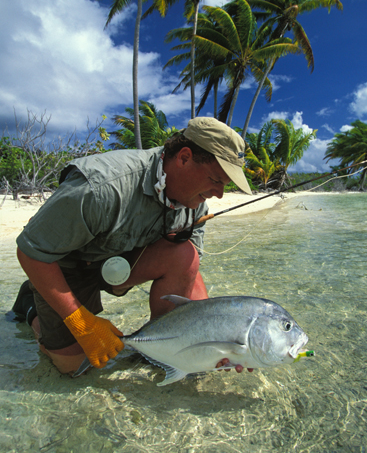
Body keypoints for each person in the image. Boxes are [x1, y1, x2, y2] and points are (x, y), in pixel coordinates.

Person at [13, 117, 252, 376]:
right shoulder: (101, 187)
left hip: (122, 264)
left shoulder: (195, 202)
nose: (219, 194)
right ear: (184, 158)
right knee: (75, 368)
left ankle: (154, 349)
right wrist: (80, 323)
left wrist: (215, 341)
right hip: (68, 266)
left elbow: (190, 268)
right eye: (216, 179)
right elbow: (30, 251)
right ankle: (31, 307)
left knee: (186, 254)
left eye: (225, 185)